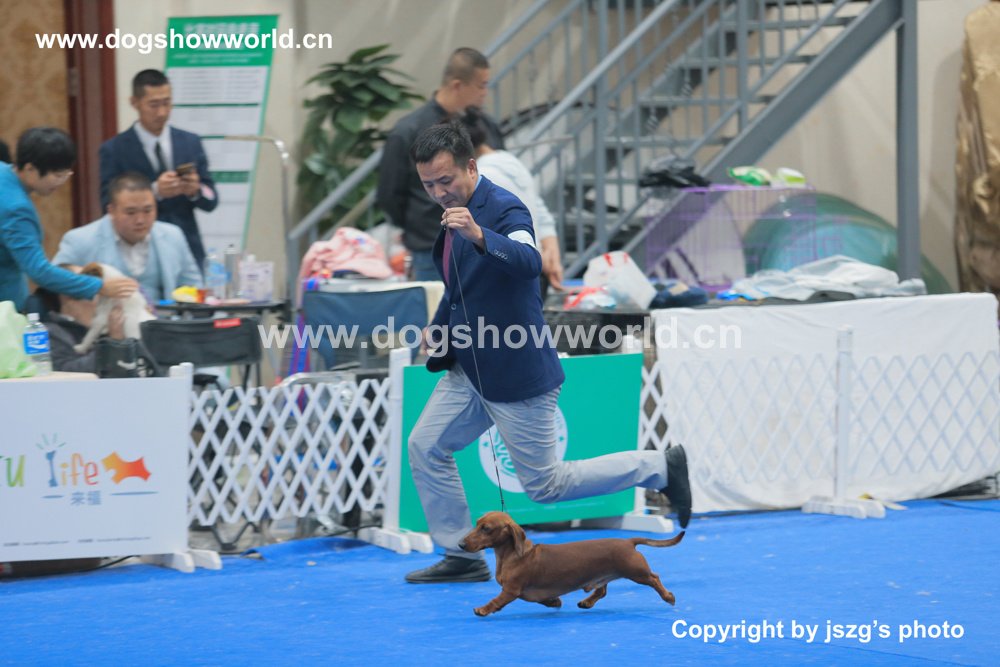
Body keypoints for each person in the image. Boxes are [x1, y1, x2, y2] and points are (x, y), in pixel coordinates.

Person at [403, 122, 691, 584]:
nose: (438, 193)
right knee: (426, 446)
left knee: (546, 486)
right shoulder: (453, 213)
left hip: (517, 372)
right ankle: (461, 554)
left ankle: (659, 466)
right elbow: (459, 289)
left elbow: (529, 262)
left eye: (445, 180)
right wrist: (438, 329)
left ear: (471, 167)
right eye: (428, 184)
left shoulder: (505, 208)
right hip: (471, 369)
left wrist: (480, 235)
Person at [378, 48, 505, 281]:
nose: (485, 93)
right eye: (481, 85)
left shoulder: (487, 128)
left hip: (486, 244)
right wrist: (424, 227)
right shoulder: (408, 130)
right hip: (433, 248)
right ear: (457, 85)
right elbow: (390, 195)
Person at [0, 127, 137, 312]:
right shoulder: (17, 209)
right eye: (57, 175)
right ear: (30, 168)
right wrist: (99, 286)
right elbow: (38, 271)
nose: (62, 181)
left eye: (65, 174)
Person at [99, 69, 218, 270]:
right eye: (153, 105)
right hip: (136, 250)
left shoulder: (190, 142)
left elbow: (211, 199)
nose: (161, 112)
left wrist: (195, 191)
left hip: (187, 246)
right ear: (134, 102)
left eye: (166, 103)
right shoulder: (114, 149)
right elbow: (107, 203)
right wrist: (154, 191)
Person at [458, 106, 564, 293]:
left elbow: (491, 232)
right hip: (532, 262)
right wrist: (551, 255)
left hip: (512, 268)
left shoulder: (482, 177)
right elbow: (539, 211)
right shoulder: (510, 161)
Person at [54, 172, 203, 302]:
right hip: (105, 322)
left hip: (164, 322)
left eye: (148, 211)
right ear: (111, 211)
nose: (140, 220)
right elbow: (56, 281)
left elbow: (194, 288)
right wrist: (96, 287)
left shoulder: (172, 236)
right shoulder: (80, 240)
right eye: (130, 213)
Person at [35, 264, 127, 373]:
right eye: (89, 283)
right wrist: (113, 343)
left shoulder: (109, 327)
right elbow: (67, 372)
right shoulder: (49, 334)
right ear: (67, 294)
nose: (104, 293)